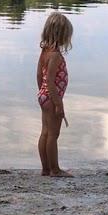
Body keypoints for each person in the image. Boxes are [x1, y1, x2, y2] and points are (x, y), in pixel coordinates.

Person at [35, 12, 74, 177]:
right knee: (53, 134)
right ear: (62, 35)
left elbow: (39, 75)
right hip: (52, 98)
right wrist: (58, 103)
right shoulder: (56, 55)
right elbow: (50, 81)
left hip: (43, 96)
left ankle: (45, 168)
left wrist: (41, 93)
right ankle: (55, 169)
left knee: (45, 132)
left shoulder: (45, 51)